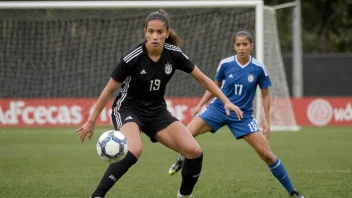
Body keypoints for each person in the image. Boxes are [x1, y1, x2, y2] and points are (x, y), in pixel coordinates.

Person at [76, 10, 243, 198]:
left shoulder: (174, 55)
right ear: (145, 32)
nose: (155, 36)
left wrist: (226, 101)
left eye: (160, 32)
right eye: (151, 31)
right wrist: (91, 120)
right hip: (127, 108)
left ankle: (184, 196)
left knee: (194, 151)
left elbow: (204, 80)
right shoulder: (132, 57)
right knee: (135, 149)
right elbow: (108, 90)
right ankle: (97, 195)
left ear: (167, 32)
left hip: (157, 111)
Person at [168, 31, 304, 198]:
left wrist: (267, 121)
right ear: (234, 46)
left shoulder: (258, 68)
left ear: (251, 46)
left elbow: (265, 94)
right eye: (238, 45)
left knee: (266, 154)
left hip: (243, 116)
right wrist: (200, 105)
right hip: (218, 108)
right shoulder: (225, 64)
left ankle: (292, 191)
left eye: (245, 44)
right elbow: (213, 86)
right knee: (186, 134)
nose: (241, 48)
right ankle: (182, 158)